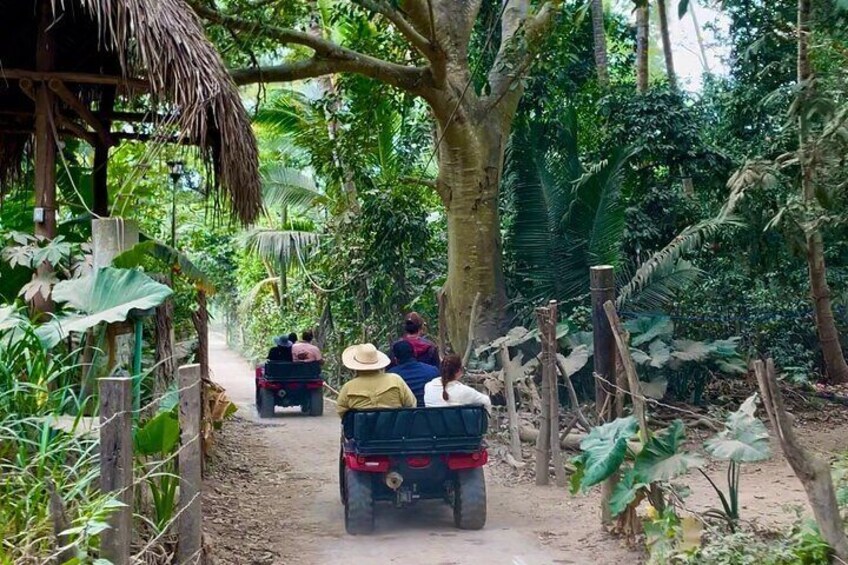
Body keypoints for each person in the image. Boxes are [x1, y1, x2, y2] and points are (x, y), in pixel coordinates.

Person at [336, 343, 417, 417]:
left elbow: (341, 411)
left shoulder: (348, 387)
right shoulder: (395, 380)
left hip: (361, 431)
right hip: (394, 431)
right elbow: (411, 404)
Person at [424, 354, 492, 412]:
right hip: (457, 427)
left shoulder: (428, 387)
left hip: (433, 427)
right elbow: (486, 401)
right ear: (459, 371)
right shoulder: (463, 391)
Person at [390, 340, 439, 407]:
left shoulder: (391, 376)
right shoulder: (433, 371)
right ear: (415, 354)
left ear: (395, 359)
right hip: (429, 414)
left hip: (405, 415)